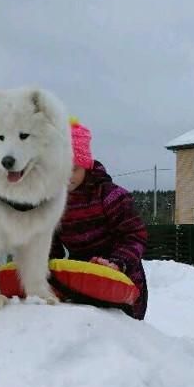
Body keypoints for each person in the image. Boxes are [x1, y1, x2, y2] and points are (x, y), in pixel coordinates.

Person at [50, 118, 148, 319]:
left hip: (121, 277)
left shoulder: (110, 196)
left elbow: (134, 236)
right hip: (81, 279)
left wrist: (117, 262)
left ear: (86, 165)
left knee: (121, 333)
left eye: (74, 169)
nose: (67, 176)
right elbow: (50, 242)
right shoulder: (52, 203)